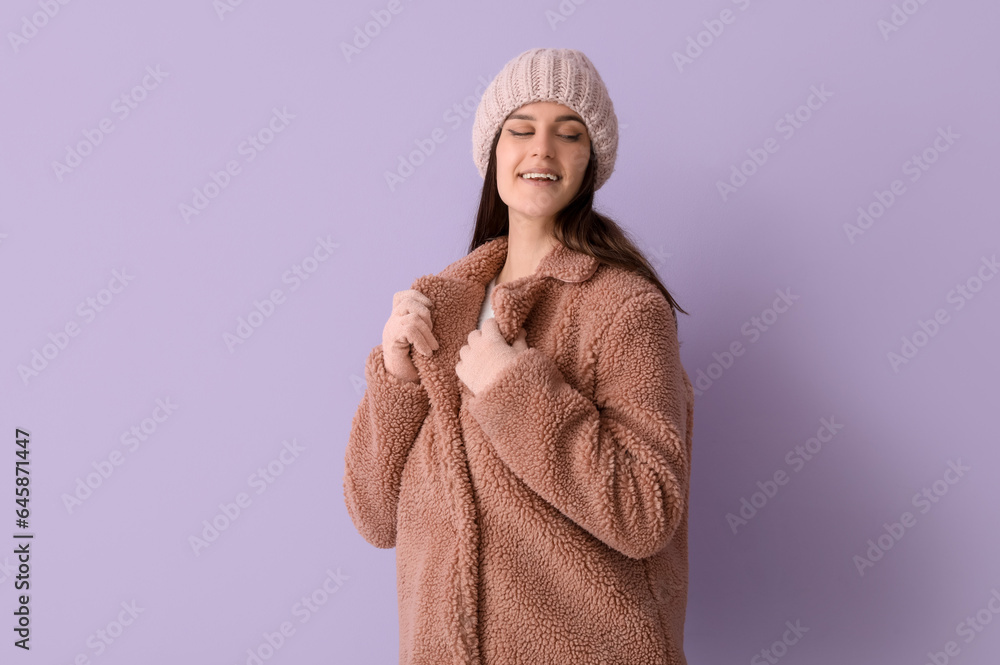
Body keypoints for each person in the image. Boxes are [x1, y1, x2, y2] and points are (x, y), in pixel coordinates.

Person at [343, 47, 695, 665]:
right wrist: (396, 377)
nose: (541, 151)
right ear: (493, 151)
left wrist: (515, 390)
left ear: (590, 161)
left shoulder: (624, 308)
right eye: (521, 129)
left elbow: (646, 512)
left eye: (569, 133)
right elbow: (374, 518)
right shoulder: (441, 307)